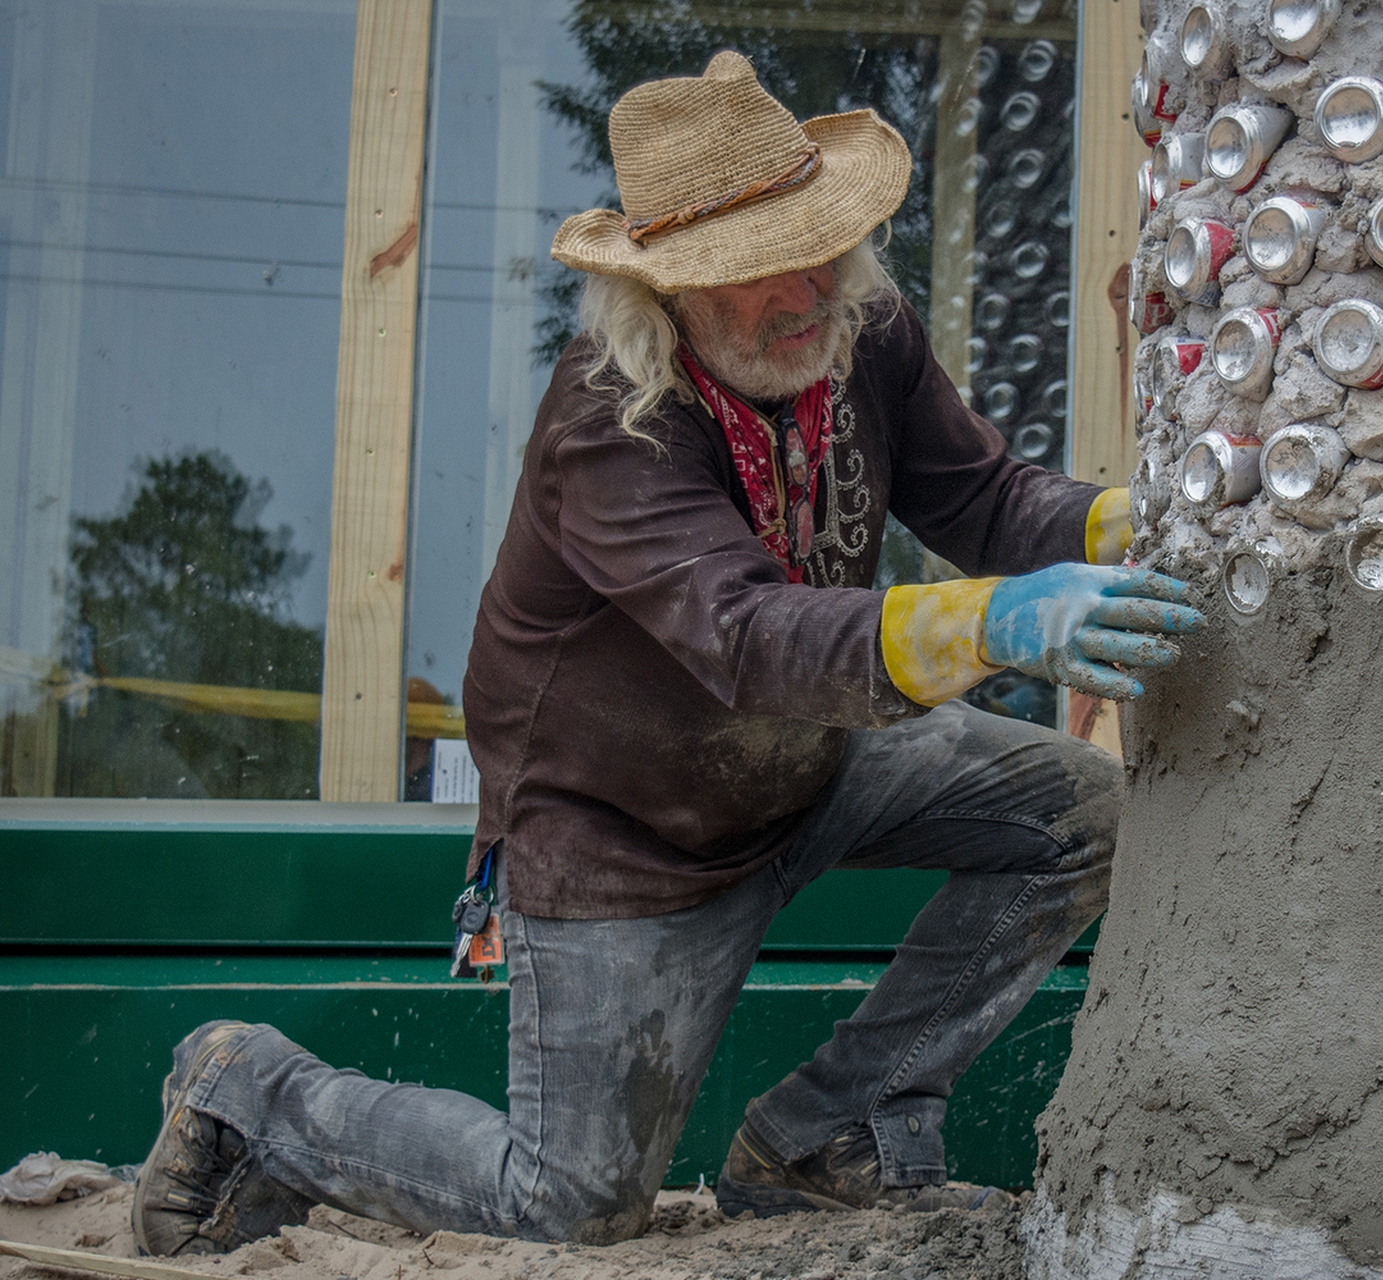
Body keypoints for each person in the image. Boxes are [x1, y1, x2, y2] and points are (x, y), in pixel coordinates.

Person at [129, 51, 1203, 1256]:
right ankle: (246, 1093)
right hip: (624, 833)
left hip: (811, 755)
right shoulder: (606, 424)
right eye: (756, 270)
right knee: (570, 1202)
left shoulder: (859, 324)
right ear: (671, 290)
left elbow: (991, 500)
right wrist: (994, 621)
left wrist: (1141, 526)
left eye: (820, 245)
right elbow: (745, 636)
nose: (805, 290)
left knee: (1081, 811)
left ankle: (828, 1134)